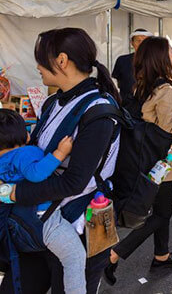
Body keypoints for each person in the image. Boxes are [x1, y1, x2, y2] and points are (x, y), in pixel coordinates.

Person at [0, 27, 122, 293]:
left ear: (62, 61)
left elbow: (73, 183)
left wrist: (13, 193)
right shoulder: (53, 103)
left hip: (81, 226)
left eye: (41, 59)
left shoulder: (99, 112)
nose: (38, 67)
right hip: (37, 220)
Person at [104, 36, 172, 285]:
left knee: (162, 209)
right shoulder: (166, 90)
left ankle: (162, 255)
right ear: (161, 57)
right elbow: (170, 126)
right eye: (170, 50)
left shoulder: (143, 85)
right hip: (161, 160)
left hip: (147, 158)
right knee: (161, 213)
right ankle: (114, 254)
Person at [0, 111, 84, 294]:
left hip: (20, 223)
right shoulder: (24, 153)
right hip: (45, 219)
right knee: (74, 256)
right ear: (26, 135)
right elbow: (36, 174)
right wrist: (59, 154)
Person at [112, 28, 151, 108]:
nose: (141, 44)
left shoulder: (154, 62)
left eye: (144, 41)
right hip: (125, 105)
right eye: (138, 40)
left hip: (148, 106)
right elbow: (115, 82)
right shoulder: (122, 60)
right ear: (132, 43)